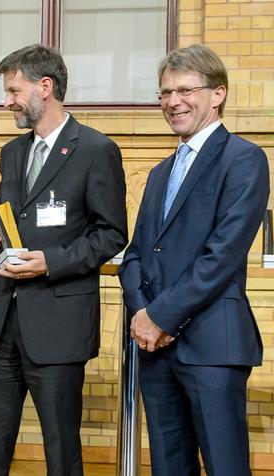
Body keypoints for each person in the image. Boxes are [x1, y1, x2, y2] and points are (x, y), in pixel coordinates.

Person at [0, 44, 128, 476]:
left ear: (46, 86)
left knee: (61, 452)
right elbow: (10, 226)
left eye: (14, 91)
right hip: (3, 325)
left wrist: (50, 262)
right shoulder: (12, 152)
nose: (7, 102)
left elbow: (111, 236)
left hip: (58, 328)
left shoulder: (96, 150)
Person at [118, 44, 268, 475]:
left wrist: (160, 317)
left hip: (212, 348)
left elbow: (221, 256)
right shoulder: (160, 171)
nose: (172, 102)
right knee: (169, 467)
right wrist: (142, 313)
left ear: (217, 93)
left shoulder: (244, 159)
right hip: (156, 351)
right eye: (165, 93)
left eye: (185, 90)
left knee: (224, 466)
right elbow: (135, 256)